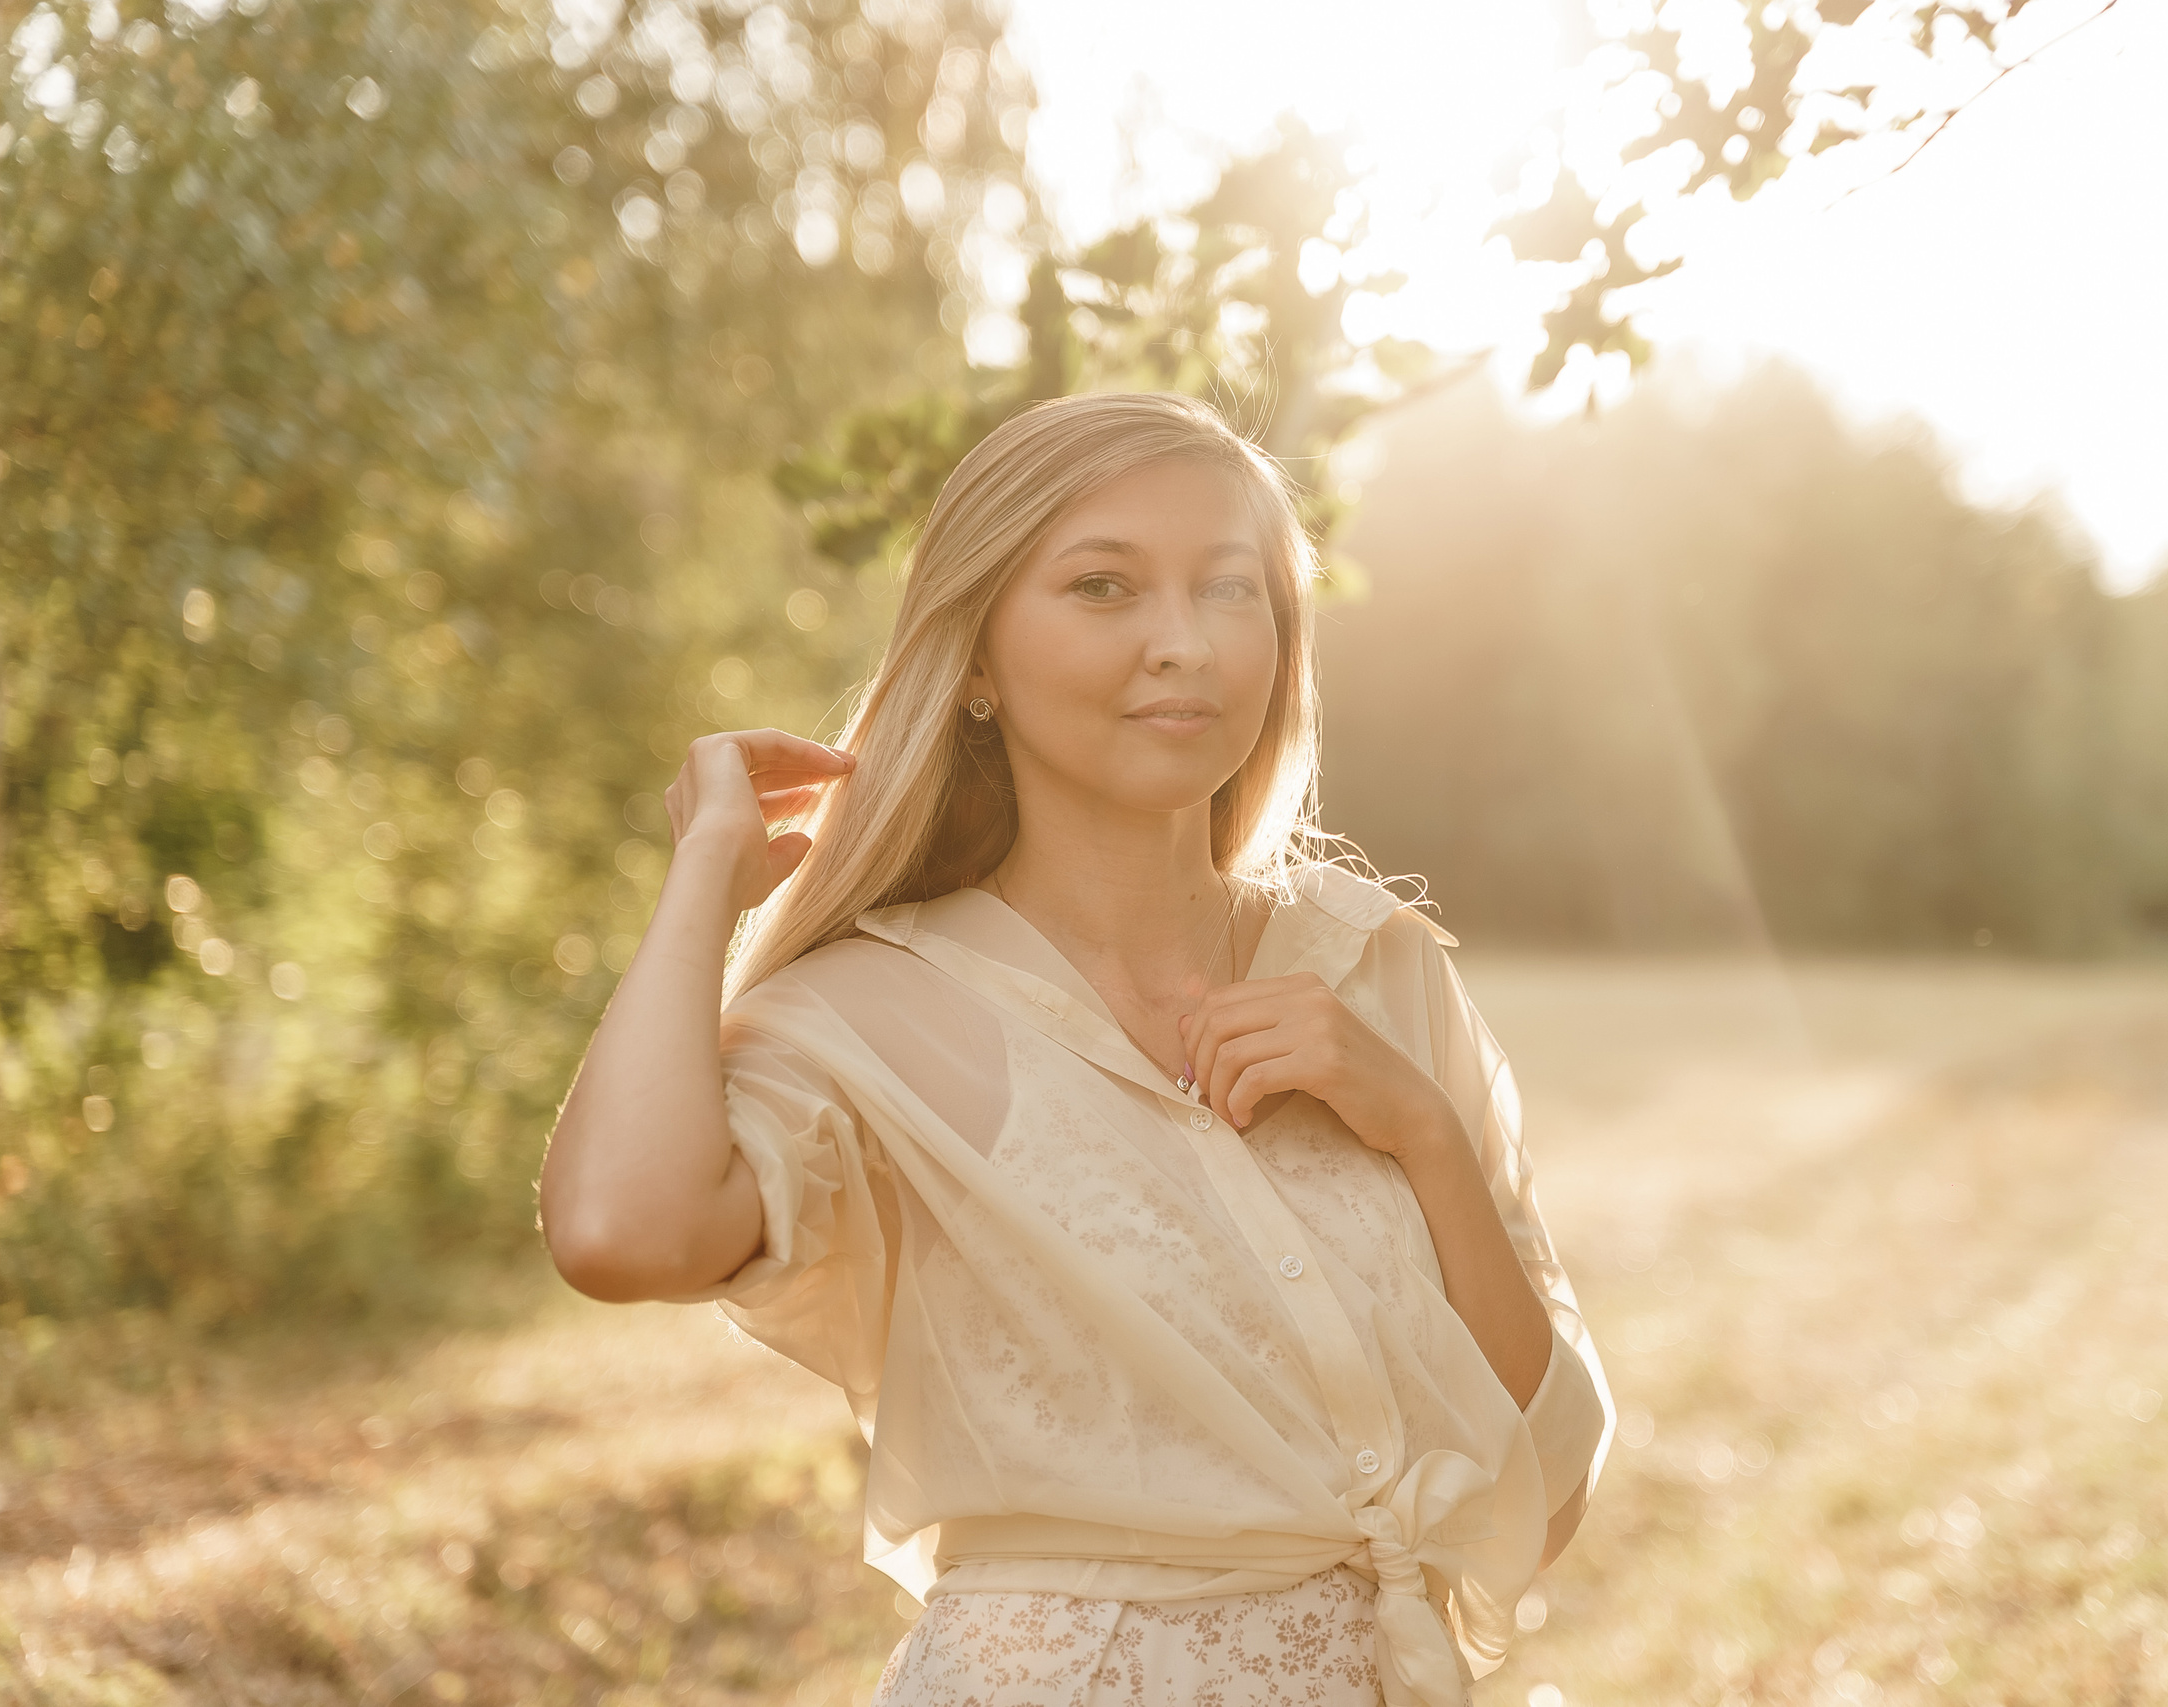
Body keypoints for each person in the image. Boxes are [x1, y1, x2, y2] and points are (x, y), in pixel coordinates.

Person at [538, 391, 1611, 1706]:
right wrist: (707, 880)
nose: (1184, 644)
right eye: (1104, 587)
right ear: (977, 663)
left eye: (1233, 590)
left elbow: (1546, 1479)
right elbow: (617, 1234)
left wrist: (1423, 1134)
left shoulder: (1368, 963)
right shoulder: (870, 1012)